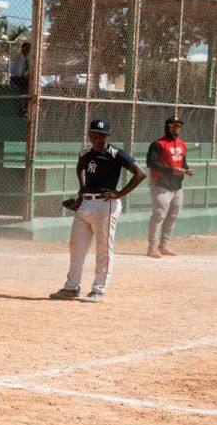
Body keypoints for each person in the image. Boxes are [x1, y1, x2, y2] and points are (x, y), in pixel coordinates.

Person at [49, 117, 146, 303]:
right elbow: (80, 169)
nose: (96, 137)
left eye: (100, 134)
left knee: (103, 249)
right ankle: (71, 287)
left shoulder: (115, 153)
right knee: (76, 247)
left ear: (107, 135)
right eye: (93, 133)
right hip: (85, 203)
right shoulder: (85, 152)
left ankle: (98, 290)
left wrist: (119, 194)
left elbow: (140, 174)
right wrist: (81, 190)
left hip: (105, 204)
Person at [145, 115, 193, 258]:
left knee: (172, 216)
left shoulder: (182, 144)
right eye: (173, 126)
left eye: (178, 126)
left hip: (177, 186)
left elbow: (182, 163)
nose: (176, 129)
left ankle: (164, 246)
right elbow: (151, 163)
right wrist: (171, 170)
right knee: (159, 215)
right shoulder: (158, 144)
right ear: (167, 127)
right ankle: (152, 247)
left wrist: (187, 169)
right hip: (161, 184)